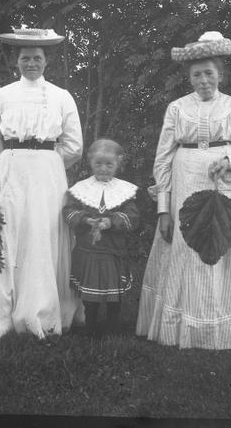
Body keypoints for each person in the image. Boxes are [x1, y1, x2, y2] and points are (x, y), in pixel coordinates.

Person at [136, 31, 231, 349]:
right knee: (186, 248)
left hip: (225, 184)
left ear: (220, 74)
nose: (203, 80)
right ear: (189, 77)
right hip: (185, 183)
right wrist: (163, 210)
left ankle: (223, 328)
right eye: (197, 74)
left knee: (222, 244)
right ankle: (182, 327)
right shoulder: (177, 109)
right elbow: (163, 159)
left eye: (209, 73)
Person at [0, 27, 84, 338]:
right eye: (25, 58)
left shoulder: (61, 96)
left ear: (47, 61)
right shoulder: (2, 95)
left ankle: (41, 313)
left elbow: (73, 146)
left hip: (47, 172)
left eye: (38, 58)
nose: (32, 63)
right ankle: (0, 313)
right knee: (9, 234)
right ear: (16, 62)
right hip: (10, 170)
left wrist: (47, 160)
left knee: (42, 234)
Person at [63, 139, 140, 335]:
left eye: (109, 164)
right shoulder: (81, 189)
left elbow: (132, 217)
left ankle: (112, 327)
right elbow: (69, 212)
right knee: (90, 297)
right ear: (90, 162)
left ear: (118, 164)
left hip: (113, 251)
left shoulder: (125, 191)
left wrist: (111, 222)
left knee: (115, 296)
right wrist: (85, 219)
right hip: (88, 252)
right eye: (98, 164)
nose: (103, 169)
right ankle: (90, 328)